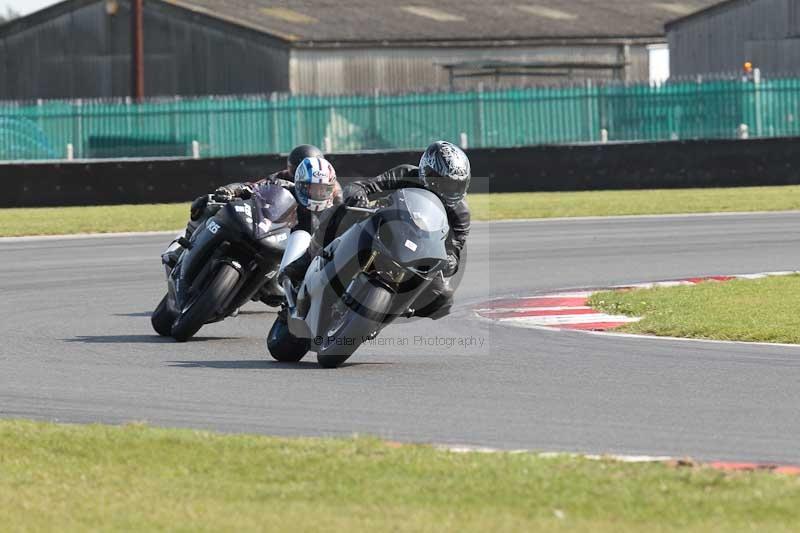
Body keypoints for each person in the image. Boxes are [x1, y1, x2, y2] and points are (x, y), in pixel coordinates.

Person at [283, 140, 471, 319]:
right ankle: (306, 260)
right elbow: (364, 186)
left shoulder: (460, 213)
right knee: (341, 210)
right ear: (428, 173)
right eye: (445, 182)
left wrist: (451, 261)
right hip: (384, 229)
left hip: (418, 254)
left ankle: (389, 313)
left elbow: (455, 248)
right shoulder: (406, 174)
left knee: (443, 298)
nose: (451, 189)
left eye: (457, 184)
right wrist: (358, 195)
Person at [161, 145, 341, 268]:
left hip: (302, 240)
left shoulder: (332, 191)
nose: (303, 178)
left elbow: (343, 217)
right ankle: (183, 248)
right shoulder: (283, 177)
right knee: (208, 204)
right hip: (273, 227)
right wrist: (231, 191)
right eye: (298, 170)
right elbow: (253, 187)